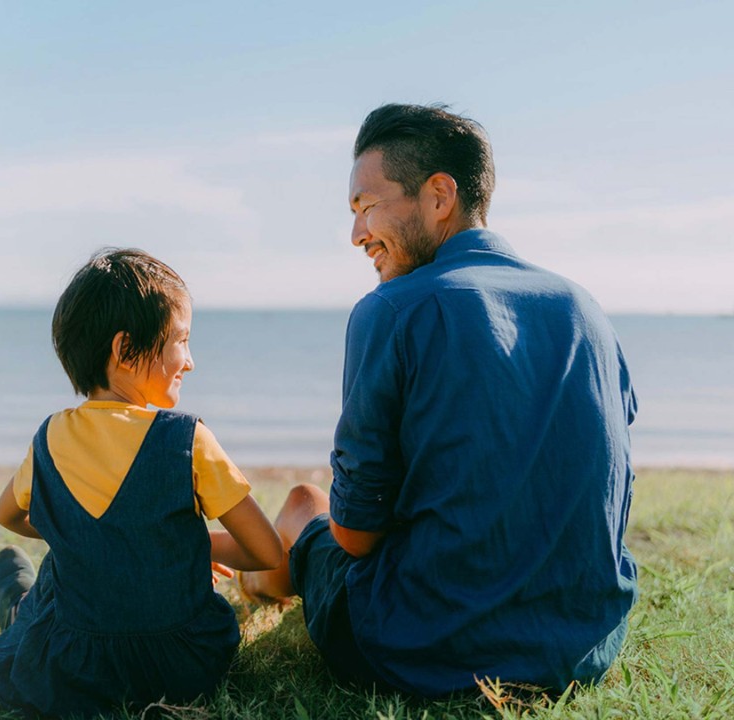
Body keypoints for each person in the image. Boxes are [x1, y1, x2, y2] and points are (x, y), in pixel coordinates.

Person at [240, 103, 638, 697]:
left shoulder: (393, 309)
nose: (356, 234)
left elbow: (355, 536)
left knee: (303, 505)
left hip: (423, 647)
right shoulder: (586, 310)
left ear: (439, 196)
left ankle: (259, 583)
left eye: (367, 206)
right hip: (582, 646)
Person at [0, 248, 283, 717]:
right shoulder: (187, 439)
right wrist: (179, 548)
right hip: (186, 664)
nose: (190, 361)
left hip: (73, 666)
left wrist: (94, 542)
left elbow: (6, 515)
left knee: (45, 581)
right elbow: (266, 553)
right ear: (125, 350)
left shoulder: (50, 438)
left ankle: (17, 605)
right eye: (182, 340)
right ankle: (21, 600)